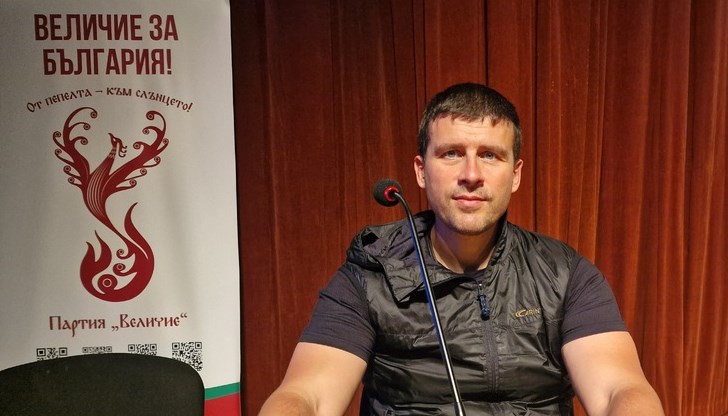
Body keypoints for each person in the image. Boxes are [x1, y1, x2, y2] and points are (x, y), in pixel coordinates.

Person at [259, 83, 664, 415]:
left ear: (515, 175)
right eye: (451, 153)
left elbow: (618, 389)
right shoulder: (370, 276)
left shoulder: (565, 275)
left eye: (490, 155)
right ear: (421, 170)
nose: (471, 174)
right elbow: (307, 396)